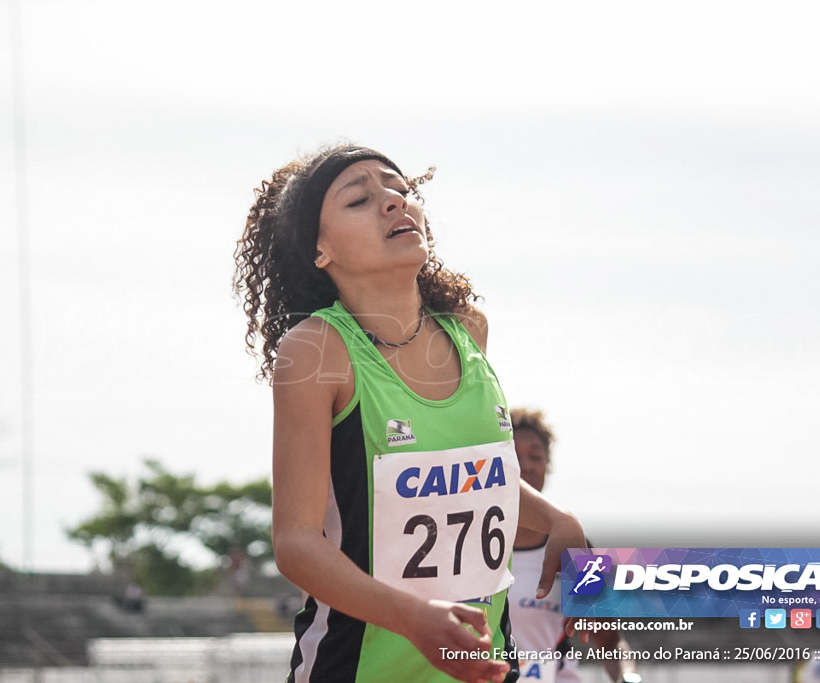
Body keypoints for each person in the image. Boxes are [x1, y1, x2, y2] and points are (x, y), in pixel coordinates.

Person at [234, 144, 588, 683]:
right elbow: (296, 544)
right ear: (320, 250)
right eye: (360, 199)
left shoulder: (468, 328)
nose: (394, 203)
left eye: (400, 190)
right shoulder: (316, 351)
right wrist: (414, 619)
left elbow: (464, 480)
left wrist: (555, 519)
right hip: (359, 668)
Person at [508, 407, 640, 683]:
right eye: (515, 456)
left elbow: (610, 641)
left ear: (547, 465)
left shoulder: (577, 548)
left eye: (535, 456)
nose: (527, 466)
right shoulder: (474, 543)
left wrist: (629, 678)